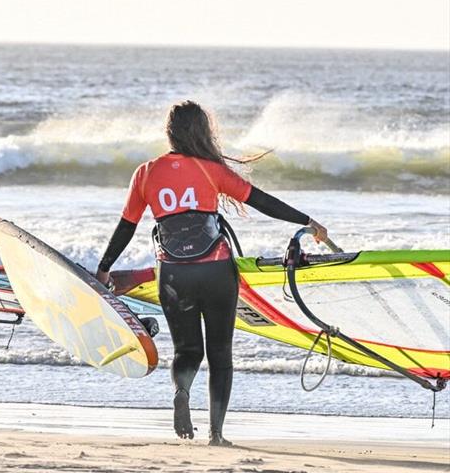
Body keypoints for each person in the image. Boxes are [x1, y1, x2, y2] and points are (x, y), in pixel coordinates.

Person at [96, 102, 329, 446]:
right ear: (202, 132)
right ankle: (216, 434)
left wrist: (104, 268)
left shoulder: (145, 173)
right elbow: (262, 201)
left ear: (169, 133)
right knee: (220, 354)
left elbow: (126, 227)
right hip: (217, 272)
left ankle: (181, 392)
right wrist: (307, 222)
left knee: (187, 351)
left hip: (174, 276)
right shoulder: (211, 171)